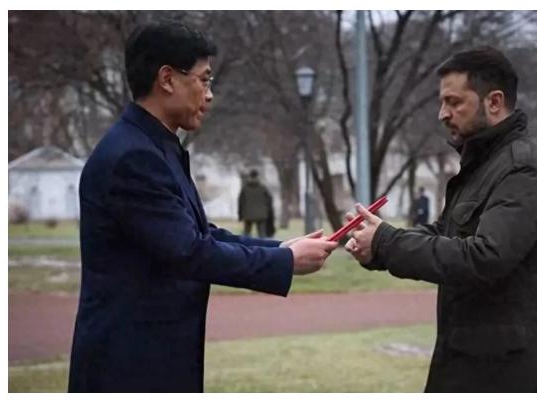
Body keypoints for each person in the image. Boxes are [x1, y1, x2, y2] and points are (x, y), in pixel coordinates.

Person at [68, 21, 337, 392]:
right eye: (204, 79)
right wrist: (284, 263)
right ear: (167, 79)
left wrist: (280, 249)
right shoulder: (133, 157)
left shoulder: (155, 147)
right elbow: (190, 252)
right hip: (129, 364)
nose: (210, 95)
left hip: (155, 356)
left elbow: (201, 234)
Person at [344, 46, 537, 392]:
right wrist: (377, 247)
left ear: (494, 102)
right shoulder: (484, 165)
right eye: (442, 102)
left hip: (507, 370)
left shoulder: (523, 169)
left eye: (454, 102)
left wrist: (387, 241)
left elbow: (485, 256)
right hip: (468, 356)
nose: (442, 114)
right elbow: (446, 234)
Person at [238, 169, 272, 237]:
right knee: (262, 234)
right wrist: (267, 211)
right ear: (257, 176)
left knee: (246, 233)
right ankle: (262, 243)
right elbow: (269, 200)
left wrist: (240, 214)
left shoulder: (245, 188)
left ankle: (246, 243)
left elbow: (240, 202)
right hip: (261, 213)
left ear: (250, 176)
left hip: (248, 213)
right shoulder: (263, 188)